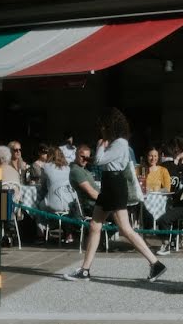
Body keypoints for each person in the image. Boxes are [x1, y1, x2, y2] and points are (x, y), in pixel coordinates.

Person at [63, 108, 166, 282]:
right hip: (109, 185)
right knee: (95, 226)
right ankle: (85, 269)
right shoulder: (113, 142)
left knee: (125, 229)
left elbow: (99, 161)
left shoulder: (120, 143)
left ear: (110, 126)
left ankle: (155, 263)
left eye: (103, 126)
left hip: (116, 186)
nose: (101, 129)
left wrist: (99, 146)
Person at [39, 146, 77, 243]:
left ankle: (42, 232)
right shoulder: (67, 168)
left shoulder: (46, 167)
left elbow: (42, 185)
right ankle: (68, 233)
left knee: (39, 206)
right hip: (68, 202)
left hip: (53, 203)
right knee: (65, 211)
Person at [69, 144, 99, 217]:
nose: (85, 160)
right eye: (82, 156)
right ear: (76, 155)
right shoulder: (76, 170)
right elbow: (91, 193)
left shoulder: (84, 170)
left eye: (87, 158)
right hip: (91, 206)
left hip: (97, 204)